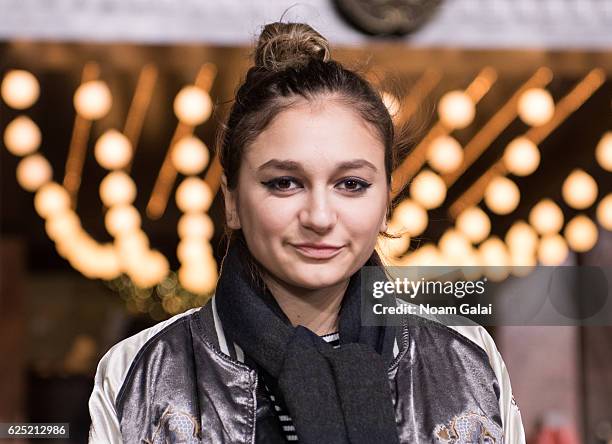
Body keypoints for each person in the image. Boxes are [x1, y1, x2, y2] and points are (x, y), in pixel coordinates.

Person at [88, 21, 526, 443]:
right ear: (233, 201)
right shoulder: (140, 373)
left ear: (386, 201)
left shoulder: (467, 360)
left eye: (351, 184)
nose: (319, 216)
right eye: (284, 182)